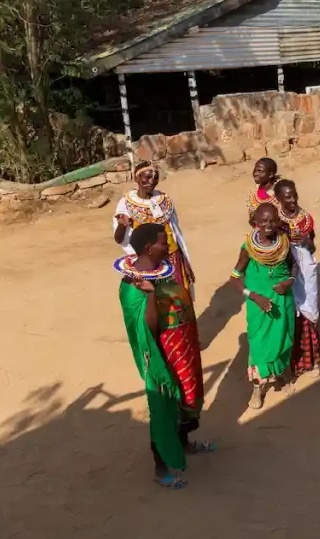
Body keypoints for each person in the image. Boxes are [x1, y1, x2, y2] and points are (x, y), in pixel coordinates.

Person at [116, 223, 213, 490]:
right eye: (163, 243)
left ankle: (184, 444)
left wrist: (191, 335)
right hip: (162, 357)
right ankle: (161, 468)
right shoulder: (132, 286)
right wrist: (148, 295)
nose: (168, 247)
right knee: (163, 409)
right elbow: (147, 328)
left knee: (187, 403)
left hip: (184, 350)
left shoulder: (163, 272)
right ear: (148, 247)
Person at [229, 203, 297, 409]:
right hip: (258, 305)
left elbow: (294, 265)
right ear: (256, 223)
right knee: (259, 345)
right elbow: (234, 277)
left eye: (272, 220)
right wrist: (254, 296)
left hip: (283, 300)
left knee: (284, 338)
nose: (269, 225)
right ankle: (258, 388)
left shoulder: (284, 242)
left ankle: (281, 377)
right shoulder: (248, 248)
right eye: (264, 221)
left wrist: (289, 281)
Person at [113, 161, 194, 293]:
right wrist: (122, 224)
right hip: (149, 263)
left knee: (179, 300)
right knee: (155, 302)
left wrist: (185, 261)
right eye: (147, 177)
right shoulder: (126, 204)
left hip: (173, 258)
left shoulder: (165, 200)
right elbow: (118, 239)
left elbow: (175, 233)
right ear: (136, 178)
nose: (152, 181)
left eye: (155, 177)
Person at [273, 179, 320, 379]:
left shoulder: (306, 219)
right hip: (284, 269)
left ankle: (312, 360)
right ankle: (290, 363)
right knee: (288, 313)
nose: (292, 200)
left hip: (305, 270)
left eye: (294, 195)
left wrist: (307, 242)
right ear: (278, 199)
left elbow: (312, 246)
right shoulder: (275, 220)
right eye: (287, 197)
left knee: (309, 311)